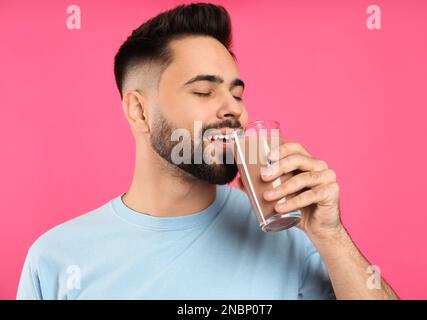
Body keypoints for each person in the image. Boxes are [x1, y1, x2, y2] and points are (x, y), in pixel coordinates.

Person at [17, 3, 398, 300]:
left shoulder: (290, 233)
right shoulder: (56, 258)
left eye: (237, 93)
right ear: (139, 110)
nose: (234, 109)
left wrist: (330, 235)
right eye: (203, 91)